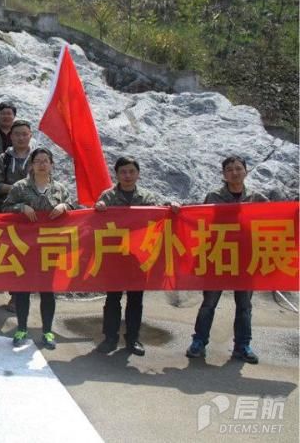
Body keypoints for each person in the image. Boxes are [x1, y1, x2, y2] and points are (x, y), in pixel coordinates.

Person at [186, 155, 268, 364]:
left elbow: (275, 217)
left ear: (246, 171)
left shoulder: (256, 197)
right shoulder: (214, 196)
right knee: (209, 303)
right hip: (218, 256)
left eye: (238, 168)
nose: (234, 172)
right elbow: (201, 221)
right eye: (229, 169)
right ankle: (199, 341)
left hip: (246, 259)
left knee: (244, 305)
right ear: (224, 174)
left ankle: (243, 346)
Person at [94, 156, 179, 356]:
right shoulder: (108, 196)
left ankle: (133, 339)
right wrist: (99, 208)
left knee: (135, 299)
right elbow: (95, 218)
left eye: (131, 171)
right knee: (112, 299)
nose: (128, 175)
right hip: (114, 255)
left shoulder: (147, 196)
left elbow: (161, 211)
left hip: (139, 257)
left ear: (138, 174)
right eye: (123, 172)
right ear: (117, 174)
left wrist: (172, 205)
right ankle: (110, 338)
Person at [2, 147, 72, 349]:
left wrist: (65, 206)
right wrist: (21, 207)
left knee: (47, 291)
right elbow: (5, 208)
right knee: (22, 290)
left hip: (49, 247)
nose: (42, 164)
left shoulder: (59, 189)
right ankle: (21, 329)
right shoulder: (20, 187)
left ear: (51, 164)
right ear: (31, 165)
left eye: (45, 161)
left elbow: (74, 210)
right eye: (37, 161)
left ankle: (47, 331)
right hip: (24, 247)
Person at [0, 120, 34, 313]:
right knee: (12, 255)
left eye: (24, 134)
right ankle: (15, 295)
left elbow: (46, 181)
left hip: (32, 214)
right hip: (9, 212)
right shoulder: (4, 158)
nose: (21, 138)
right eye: (17, 134)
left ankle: (23, 295)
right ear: (11, 136)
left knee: (29, 255)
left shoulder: (38, 157)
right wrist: (20, 189)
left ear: (30, 135)